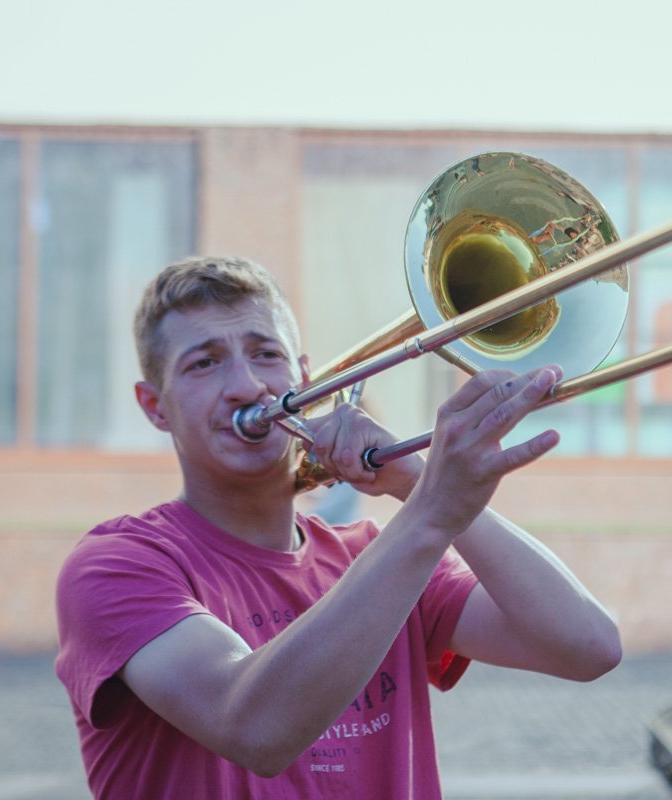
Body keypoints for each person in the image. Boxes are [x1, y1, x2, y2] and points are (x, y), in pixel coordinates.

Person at [54, 255, 622, 799]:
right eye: (204, 362)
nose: (247, 385)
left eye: (266, 354)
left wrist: (416, 480)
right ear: (155, 406)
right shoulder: (118, 564)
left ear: (305, 375)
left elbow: (588, 647)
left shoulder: (374, 554)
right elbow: (254, 728)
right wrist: (431, 509)